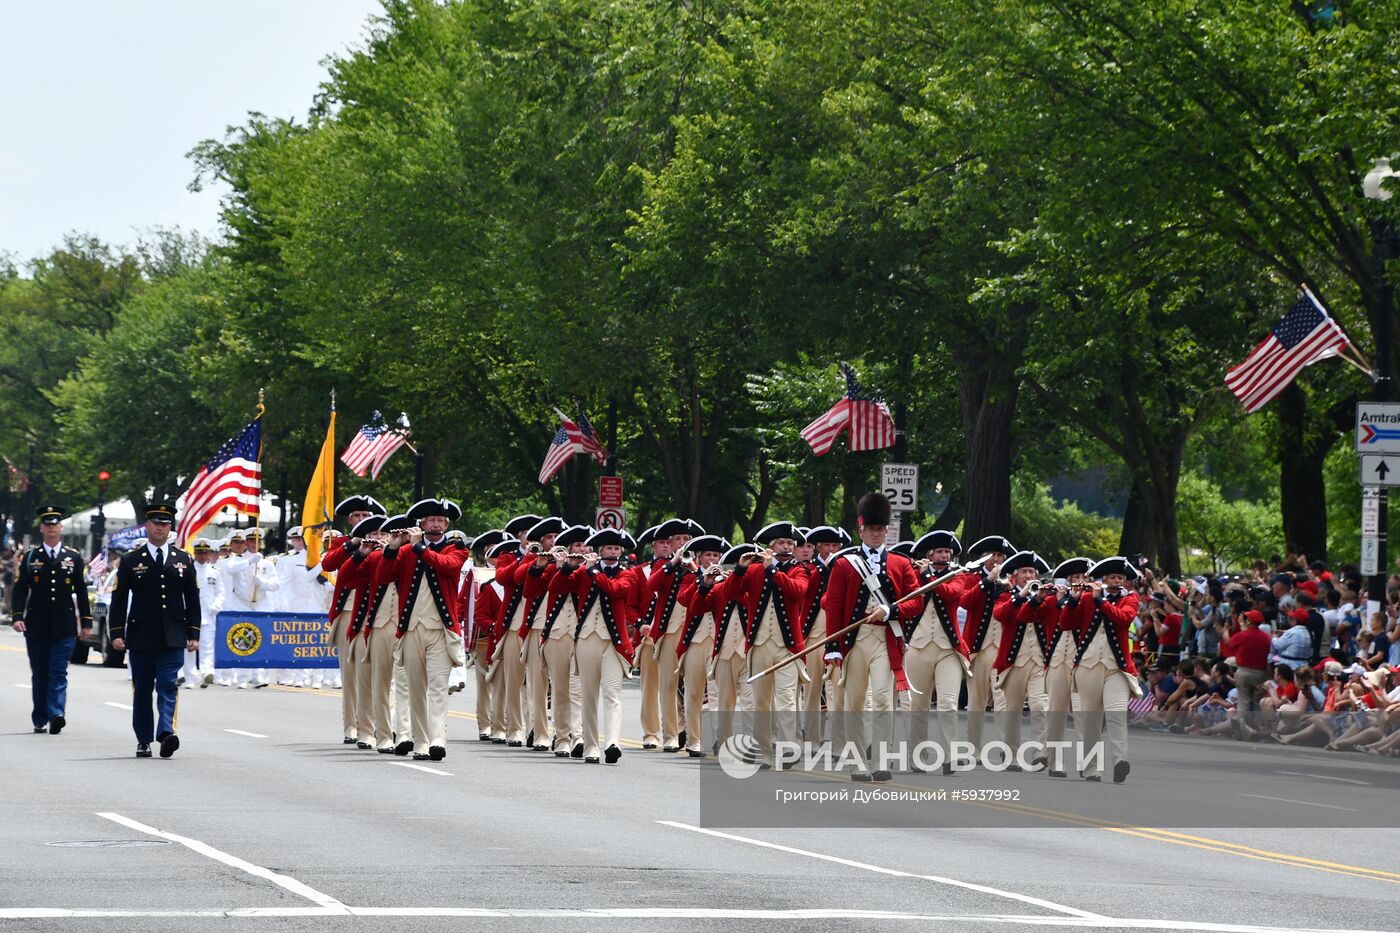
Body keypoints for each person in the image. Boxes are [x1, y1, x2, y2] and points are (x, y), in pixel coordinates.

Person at [822, 494, 922, 782]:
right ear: (861, 530)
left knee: (881, 700)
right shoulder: (844, 564)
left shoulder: (901, 564)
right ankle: (857, 764)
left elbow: (915, 602)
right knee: (854, 702)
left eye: (881, 529)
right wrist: (832, 646)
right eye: (872, 529)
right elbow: (834, 607)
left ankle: (879, 761)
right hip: (855, 640)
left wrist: (891, 609)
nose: (877, 534)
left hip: (885, 639)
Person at [378, 498, 468, 761]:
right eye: (431, 520)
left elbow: (446, 566)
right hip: (411, 630)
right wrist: (393, 548)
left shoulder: (456, 550)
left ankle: (438, 739)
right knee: (416, 688)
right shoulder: (407, 551)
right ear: (421, 524)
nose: (436, 524)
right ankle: (421, 741)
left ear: (447, 524)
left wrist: (417, 547)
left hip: (441, 629)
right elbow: (383, 577)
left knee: (439, 687)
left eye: (440, 520)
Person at [108, 502, 200, 758]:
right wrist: (117, 633)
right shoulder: (130, 560)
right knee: (143, 689)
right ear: (147, 526)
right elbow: (118, 600)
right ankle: (143, 738)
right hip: (141, 636)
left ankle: (166, 732)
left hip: (173, 634)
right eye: (156, 523)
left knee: (169, 684)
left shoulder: (183, 560)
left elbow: (192, 599)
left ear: (171, 528)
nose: (160, 528)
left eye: (165, 524)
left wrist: (194, 634)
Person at [720, 521, 810, 766]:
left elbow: (797, 591)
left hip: (788, 646)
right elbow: (728, 594)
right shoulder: (754, 570)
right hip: (759, 644)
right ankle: (763, 751)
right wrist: (740, 569)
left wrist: (773, 571)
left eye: (790, 544)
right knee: (761, 699)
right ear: (770, 546)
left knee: (786, 697)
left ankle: (788, 748)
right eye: (782, 543)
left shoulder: (799, 570)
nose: (787, 547)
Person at [10, 505, 93, 735]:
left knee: (58, 671)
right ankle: (40, 716)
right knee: (40, 672)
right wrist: (17, 616)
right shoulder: (30, 557)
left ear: (61, 527)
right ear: (42, 528)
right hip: (36, 625)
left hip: (64, 625)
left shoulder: (73, 557)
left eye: (55, 524)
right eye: (47, 524)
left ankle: (56, 714)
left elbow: (82, 591)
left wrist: (86, 623)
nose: (51, 528)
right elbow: (19, 590)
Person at [903, 530, 976, 774]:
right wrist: (921, 573)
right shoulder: (914, 575)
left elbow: (951, 594)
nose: (945, 555)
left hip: (948, 649)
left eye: (948, 552)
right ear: (929, 554)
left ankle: (950, 755)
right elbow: (907, 595)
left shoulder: (958, 575)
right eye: (940, 552)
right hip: (918, 646)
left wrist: (928, 575)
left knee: (947, 703)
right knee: (919, 706)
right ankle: (918, 756)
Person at [567, 529, 638, 763]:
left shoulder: (627, 574)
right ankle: (590, 746)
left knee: (612, 693)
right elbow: (561, 586)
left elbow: (615, 590)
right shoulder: (585, 571)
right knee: (588, 694)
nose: (613, 552)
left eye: (617, 549)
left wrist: (593, 570)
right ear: (600, 550)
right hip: (587, 638)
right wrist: (567, 565)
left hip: (614, 643)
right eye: (609, 548)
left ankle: (613, 743)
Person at [321, 495, 387, 742]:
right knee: (350, 674)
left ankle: (377, 724)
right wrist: (353, 545)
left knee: (377, 672)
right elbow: (328, 564)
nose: (363, 520)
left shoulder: (384, 542)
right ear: (350, 520)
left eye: (367, 517)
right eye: (358, 516)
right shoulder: (342, 541)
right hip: (348, 611)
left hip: (376, 610)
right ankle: (352, 726)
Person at [1068, 557, 1140, 783]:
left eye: (1120, 578)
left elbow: (1123, 619)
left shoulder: (1130, 599)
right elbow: (1066, 624)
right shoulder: (1088, 598)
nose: (1117, 581)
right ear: (1103, 579)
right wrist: (1073, 599)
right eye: (1112, 577)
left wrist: (1101, 601)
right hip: (1088, 664)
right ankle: (1091, 768)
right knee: (1091, 720)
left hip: (1116, 667)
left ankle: (1120, 761)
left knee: (1116, 714)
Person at [645, 518, 704, 752]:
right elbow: (653, 585)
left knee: (693, 685)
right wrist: (674, 562)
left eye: (686, 540)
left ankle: (692, 734)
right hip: (669, 631)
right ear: (669, 544)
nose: (683, 543)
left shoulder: (698, 566)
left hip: (694, 631)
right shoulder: (663, 565)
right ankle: (669, 734)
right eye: (678, 539)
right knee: (669, 684)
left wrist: (694, 568)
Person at [994, 550, 1052, 770]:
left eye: (1032, 572)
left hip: (1038, 660)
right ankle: (1011, 754)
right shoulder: (1005, 595)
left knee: (1039, 705)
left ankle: (1040, 752)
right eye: (1024, 572)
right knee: (1013, 709)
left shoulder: (1045, 597)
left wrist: (1043, 597)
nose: (1029, 576)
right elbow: (1000, 614)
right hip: (1013, 661)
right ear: (1015, 576)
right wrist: (1021, 596)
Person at [959, 535, 1014, 762]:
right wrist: (986, 582)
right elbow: (965, 602)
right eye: (994, 556)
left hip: (1002, 647)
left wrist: (1011, 591)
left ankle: (1006, 747)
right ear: (984, 558)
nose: (998, 560)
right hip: (979, 649)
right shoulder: (971, 578)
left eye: (1001, 556)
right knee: (977, 701)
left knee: (1002, 698)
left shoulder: (1009, 583)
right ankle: (974, 748)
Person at [673, 534, 728, 757]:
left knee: (716, 693)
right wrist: (702, 580)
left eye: (716, 555)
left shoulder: (727, 577)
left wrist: (722, 580)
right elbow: (684, 600)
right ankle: (693, 740)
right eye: (708, 555)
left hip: (719, 640)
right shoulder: (690, 576)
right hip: (694, 641)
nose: (712, 559)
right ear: (699, 557)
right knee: (693, 693)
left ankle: (716, 738)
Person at [539, 524, 592, 756]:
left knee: (578, 689)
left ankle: (579, 736)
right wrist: (563, 566)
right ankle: (561, 738)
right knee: (560, 689)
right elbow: (550, 588)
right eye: (577, 546)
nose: (581, 550)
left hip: (584, 635)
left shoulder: (596, 569)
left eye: (585, 545)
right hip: (557, 634)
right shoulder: (556, 568)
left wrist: (587, 568)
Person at [492, 513, 541, 748]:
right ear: (519, 537)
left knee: (537, 681)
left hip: (537, 625)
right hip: (513, 625)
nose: (532, 538)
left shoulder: (548, 557)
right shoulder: (508, 556)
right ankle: (515, 729)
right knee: (514, 680)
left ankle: (536, 728)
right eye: (527, 534)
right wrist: (526, 558)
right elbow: (503, 578)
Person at [517, 516, 566, 750]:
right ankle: (539, 731)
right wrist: (536, 561)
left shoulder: (570, 563)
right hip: (537, 626)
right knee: (537, 684)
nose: (554, 541)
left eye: (557, 537)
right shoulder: (536, 561)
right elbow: (522, 585)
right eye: (549, 537)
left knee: (561, 684)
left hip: (563, 629)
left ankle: (562, 732)